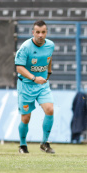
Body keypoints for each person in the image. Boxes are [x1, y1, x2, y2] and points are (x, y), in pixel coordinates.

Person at [15, 20, 55, 154]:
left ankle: (44, 143)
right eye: (37, 32)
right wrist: (34, 78)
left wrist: (48, 73)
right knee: (26, 118)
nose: (40, 35)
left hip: (42, 85)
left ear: (46, 32)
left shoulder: (50, 45)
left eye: (43, 32)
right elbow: (19, 68)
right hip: (26, 85)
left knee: (49, 109)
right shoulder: (26, 47)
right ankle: (22, 145)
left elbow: (49, 58)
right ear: (33, 32)